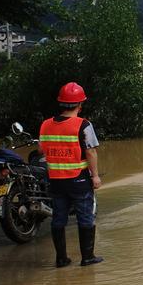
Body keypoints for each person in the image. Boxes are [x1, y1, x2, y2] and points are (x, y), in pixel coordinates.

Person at [39, 82, 103, 268]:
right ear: (80, 104)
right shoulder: (83, 124)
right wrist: (95, 176)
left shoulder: (45, 125)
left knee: (58, 218)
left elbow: (41, 150)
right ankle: (87, 257)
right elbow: (91, 152)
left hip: (56, 180)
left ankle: (61, 259)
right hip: (78, 179)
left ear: (61, 103)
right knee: (85, 217)